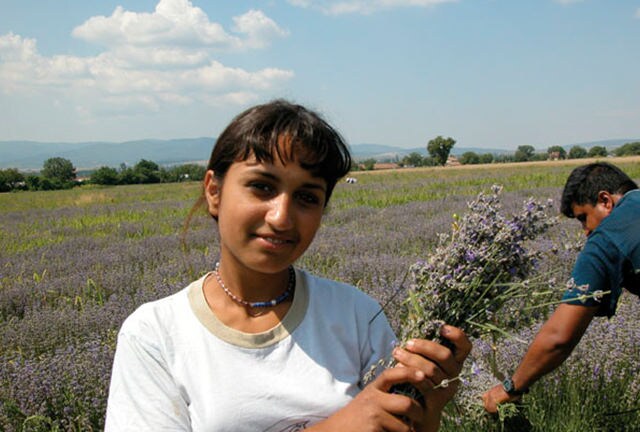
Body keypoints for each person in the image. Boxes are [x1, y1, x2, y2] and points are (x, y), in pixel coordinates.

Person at [105, 99, 471, 432]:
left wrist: (428, 407)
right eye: (262, 187)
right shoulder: (155, 335)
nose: (281, 217)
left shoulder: (357, 315)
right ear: (213, 192)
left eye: (307, 197)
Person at [483, 161, 639, 413]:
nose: (586, 232)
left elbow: (559, 337)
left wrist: (510, 388)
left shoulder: (607, 236)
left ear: (605, 201)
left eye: (583, 218)